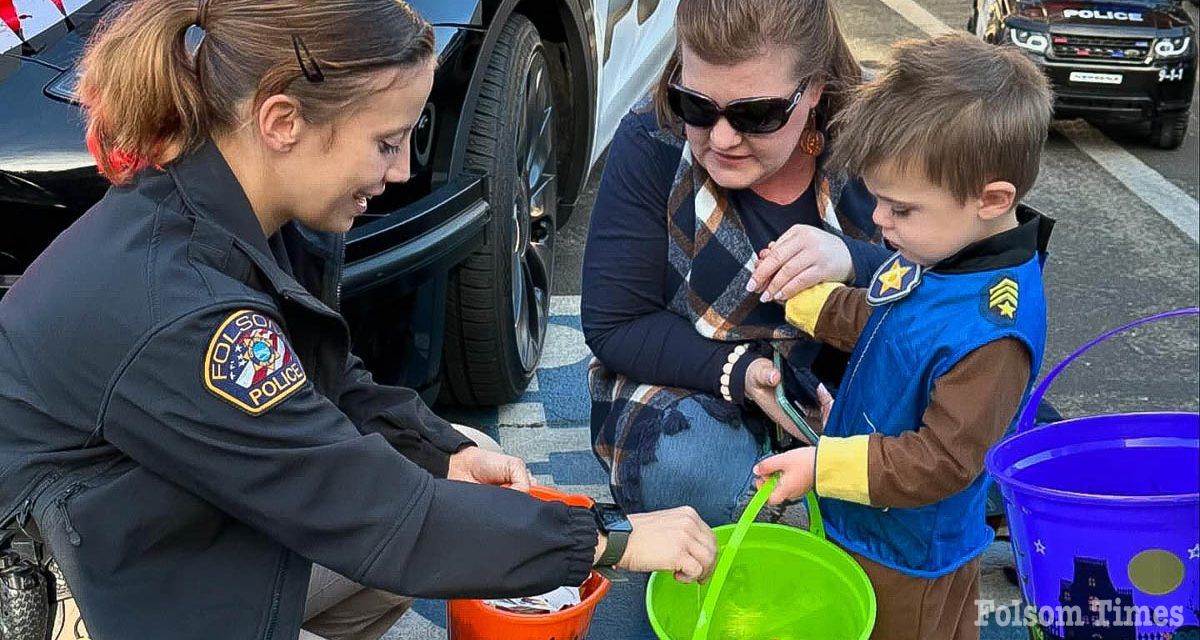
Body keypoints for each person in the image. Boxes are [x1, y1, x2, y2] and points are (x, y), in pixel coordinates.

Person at [0, 1, 717, 639]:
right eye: (385, 142)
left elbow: (328, 383)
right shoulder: (181, 310)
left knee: (449, 466)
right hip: (60, 577)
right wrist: (610, 537)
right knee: (403, 522)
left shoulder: (253, 206)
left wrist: (440, 451)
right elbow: (375, 516)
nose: (403, 169)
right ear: (283, 122)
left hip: (135, 514)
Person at [752, 33, 1055, 640]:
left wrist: (822, 466)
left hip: (911, 554)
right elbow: (891, 319)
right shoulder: (943, 249)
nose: (879, 223)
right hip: (869, 515)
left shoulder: (992, 333)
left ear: (992, 200)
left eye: (900, 209)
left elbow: (942, 462)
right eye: (876, 200)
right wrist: (811, 304)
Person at [581, 0, 891, 528]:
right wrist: (741, 373)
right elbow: (616, 324)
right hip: (693, 382)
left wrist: (856, 261)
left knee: (986, 423)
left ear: (814, 89)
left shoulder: (888, 133)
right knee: (682, 470)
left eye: (756, 114)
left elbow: (968, 283)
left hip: (856, 380)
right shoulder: (651, 140)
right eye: (697, 105)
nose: (721, 139)